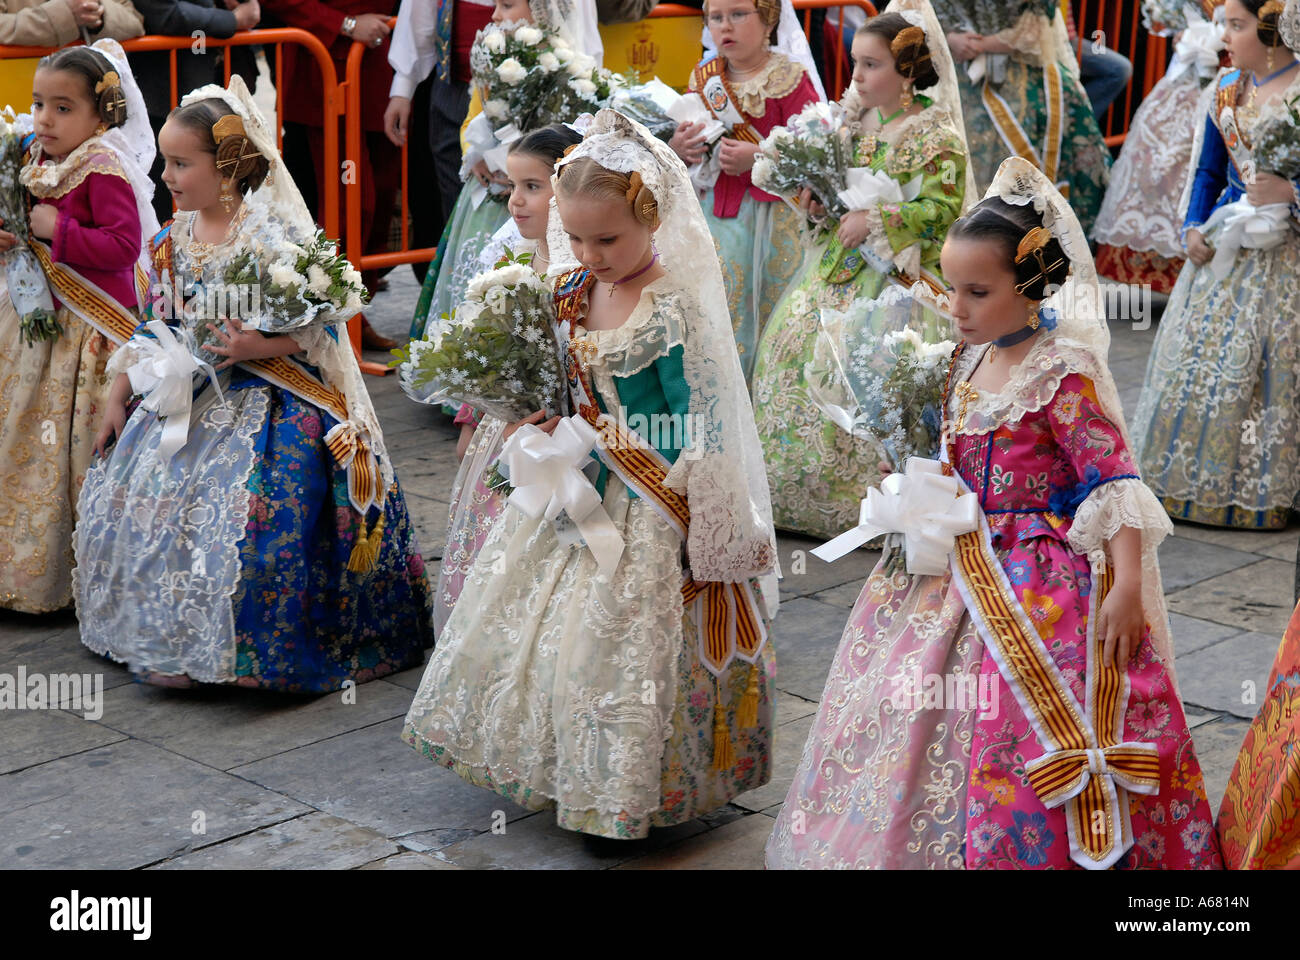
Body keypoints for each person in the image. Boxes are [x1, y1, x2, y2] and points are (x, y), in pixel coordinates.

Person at [766, 157, 1224, 870]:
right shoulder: (962, 360)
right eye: (952, 289)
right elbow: (954, 456)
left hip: (1037, 581)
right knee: (908, 715)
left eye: (976, 292)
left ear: (1033, 284)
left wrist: (1128, 584)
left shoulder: (1060, 373)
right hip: (952, 566)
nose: (955, 307)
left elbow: (1114, 483)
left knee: (1025, 720)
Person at [402, 110, 780, 839]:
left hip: (650, 501)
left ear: (652, 218)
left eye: (607, 238)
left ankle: (631, 785)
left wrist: (685, 497)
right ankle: (563, 763)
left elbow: (697, 416)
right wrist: (546, 424)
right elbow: (571, 385)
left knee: (626, 646)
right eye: (575, 237)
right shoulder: (573, 288)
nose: (589, 252)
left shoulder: (673, 308)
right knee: (551, 637)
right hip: (579, 482)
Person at [73, 76, 435, 691]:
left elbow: (321, 324)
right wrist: (117, 395)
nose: (166, 176)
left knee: (261, 522)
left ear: (232, 165)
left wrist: (257, 345)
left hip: (270, 399)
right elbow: (153, 326)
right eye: (165, 161)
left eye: (182, 163)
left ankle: (251, 650)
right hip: (185, 394)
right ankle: (173, 636)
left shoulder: (273, 242)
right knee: (157, 508)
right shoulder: (168, 243)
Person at [750, 0, 972, 539]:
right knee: (794, 357)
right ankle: (793, 493)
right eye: (855, 62)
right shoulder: (854, 122)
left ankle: (870, 505)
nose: (857, 75)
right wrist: (821, 206)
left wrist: (876, 218)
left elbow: (943, 209)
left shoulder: (933, 133)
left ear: (908, 72)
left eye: (871, 64)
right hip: (835, 268)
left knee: (869, 367)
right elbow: (835, 193)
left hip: (896, 281)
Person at [1131, 0, 1300, 530]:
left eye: (1236, 24)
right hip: (1222, 251)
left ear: (1271, 31)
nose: (1223, 35)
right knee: (1201, 364)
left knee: (1268, 368)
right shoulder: (1227, 87)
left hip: (1286, 261)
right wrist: (1192, 228)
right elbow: (1208, 170)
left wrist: (1289, 192)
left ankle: (1264, 487)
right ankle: (1188, 478)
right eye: (1223, 23)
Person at [0, 41, 155, 614]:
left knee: (74, 445)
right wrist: (17, 235)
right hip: (40, 322)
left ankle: (84, 573)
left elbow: (122, 247)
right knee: (25, 433)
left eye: (63, 108)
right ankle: (24, 567)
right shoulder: (38, 157)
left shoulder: (104, 167)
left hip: (91, 334)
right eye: (39, 103)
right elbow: (31, 227)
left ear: (102, 114)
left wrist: (54, 229)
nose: (45, 118)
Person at [418, 123, 582, 638]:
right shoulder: (510, 259)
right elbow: (490, 352)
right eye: (512, 187)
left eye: (533, 187)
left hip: (566, 433)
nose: (516, 201)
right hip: (508, 430)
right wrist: (473, 415)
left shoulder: (586, 268)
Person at [406, 0, 602, 342]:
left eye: (508, 5)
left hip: (543, 196)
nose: (495, 15)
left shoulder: (570, 71)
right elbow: (473, 116)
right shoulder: (493, 62)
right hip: (492, 190)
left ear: (541, 10)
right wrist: (475, 155)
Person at [668, 0, 820, 382]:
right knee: (720, 306)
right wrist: (683, 148)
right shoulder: (705, 79)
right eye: (716, 18)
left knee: (775, 309)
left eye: (738, 15)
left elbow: (815, 148)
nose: (725, 27)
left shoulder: (789, 77)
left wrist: (760, 155)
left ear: (768, 19)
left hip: (776, 220)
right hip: (719, 214)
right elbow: (691, 141)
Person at [264, 0, 401, 350]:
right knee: (351, 205)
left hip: (385, 67)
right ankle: (335, 317)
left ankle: (356, 311)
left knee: (383, 199)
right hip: (327, 70)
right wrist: (345, 23)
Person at [931, 0, 1111, 234]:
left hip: (1024, 65)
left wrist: (984, 44)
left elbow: (1035, 28)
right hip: (956, 74)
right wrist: (949, 38)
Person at [1093, 1, 1225, 293]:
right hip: (1187, 76)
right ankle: (1145, 264)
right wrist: (1185, 32)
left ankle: (1193, 267)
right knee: (1152, 158)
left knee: (1198, 162)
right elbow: (1160, 17)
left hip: (1223, 76)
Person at [130, 0, 264, 227]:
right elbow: (164, 13)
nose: (167, 174)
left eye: (178, 164)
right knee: (165, 209)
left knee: (226, 196)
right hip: (167, 93)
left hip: (219, 85)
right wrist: (232, 20)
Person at [0, 0, 142, 45]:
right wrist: (64, 15)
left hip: (88, 95)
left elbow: (134, 21)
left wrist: (96, 13)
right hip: (14, 94)